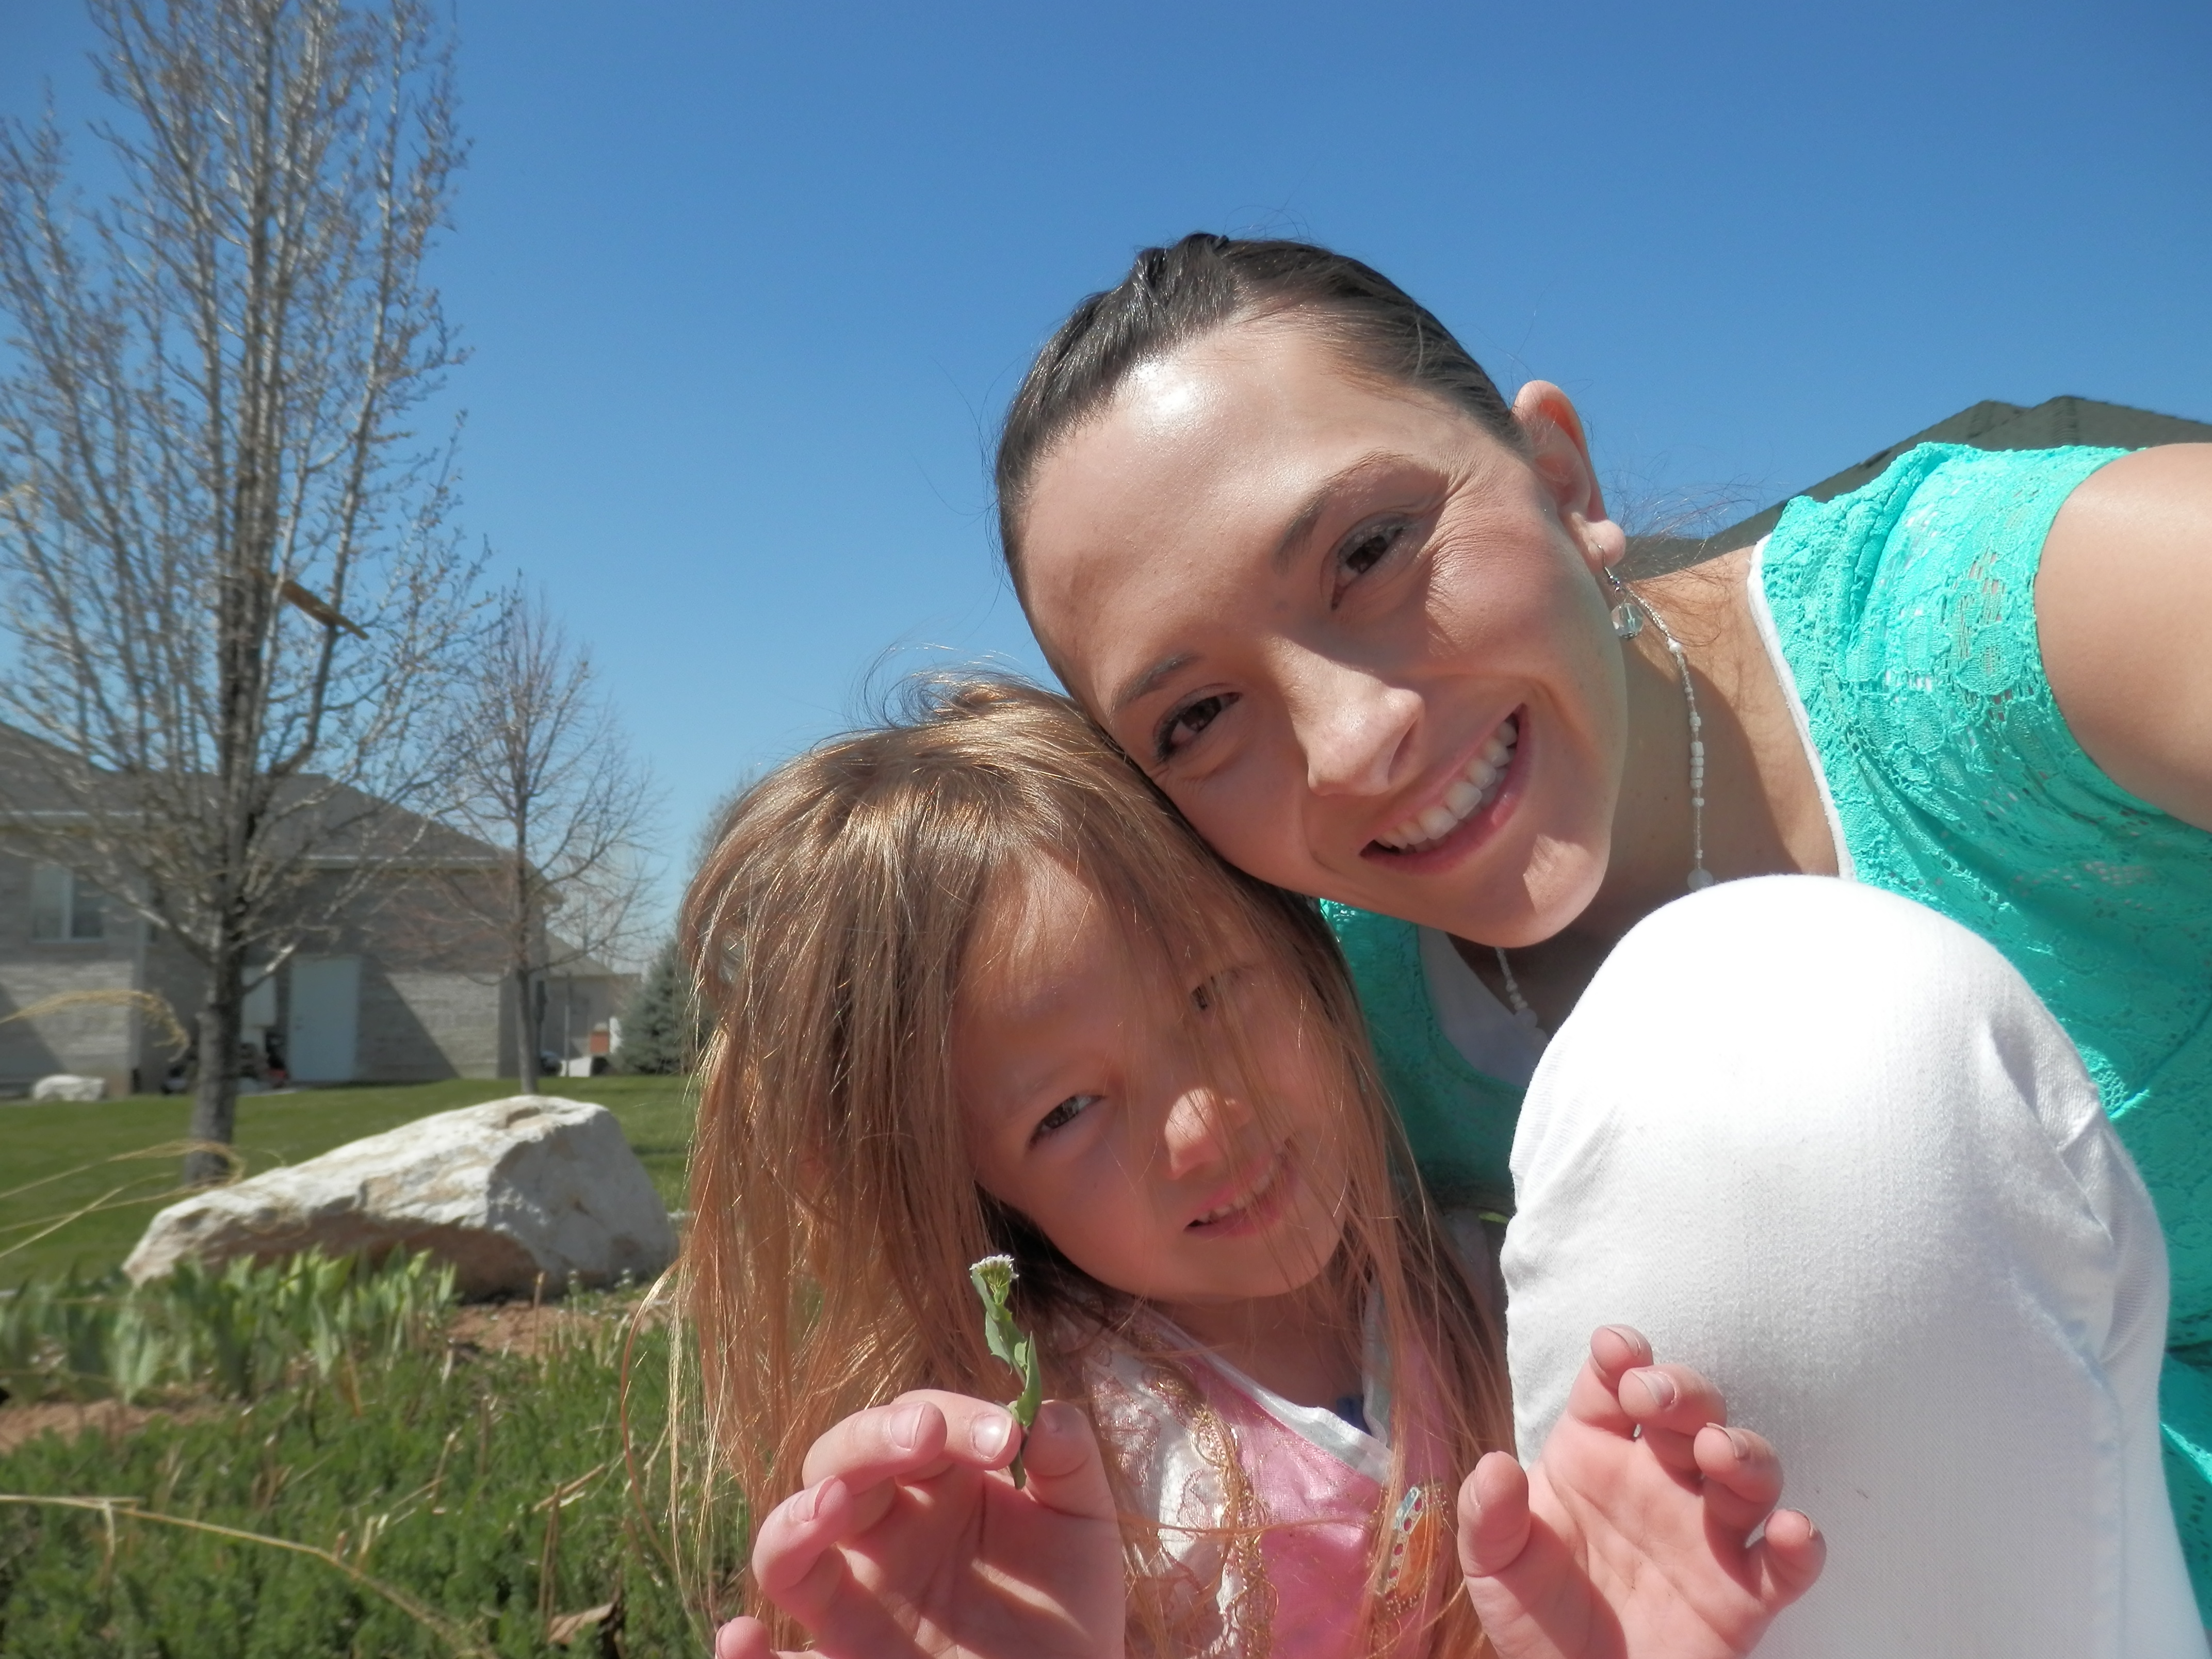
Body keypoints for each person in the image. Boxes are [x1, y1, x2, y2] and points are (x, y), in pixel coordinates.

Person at [982, 234, 2212, 1642]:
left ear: (1562, 480)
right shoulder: (1310, 1024)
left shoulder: (2007, 624)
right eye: (1198, 718)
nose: (1355, 741)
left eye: (1369, 552)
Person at [685, 678, 1824, 1659]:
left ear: (1297, 946)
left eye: (1209, 994)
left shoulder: (1484, 1298)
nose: (1200, 1126)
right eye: (1066, 1111)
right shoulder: (1040, 1480)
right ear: (971, 1188)